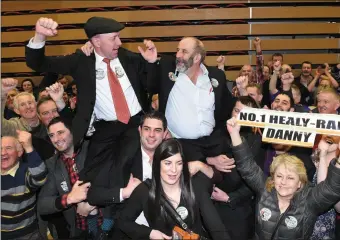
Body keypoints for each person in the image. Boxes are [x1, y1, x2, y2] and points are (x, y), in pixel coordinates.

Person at [25, 16, 158, 184]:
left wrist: (151, 63)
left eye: (118, 36)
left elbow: (152, 87)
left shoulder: (128, 57)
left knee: (131, 172)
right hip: (105, 129)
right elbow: (38, 64)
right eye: (113, 38)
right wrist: (40, 37)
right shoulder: (81, 60)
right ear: (96, 41)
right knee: (91, 180)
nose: (119, 42)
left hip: (136, 124)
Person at [226, 117, 340, 239]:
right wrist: (234, 134)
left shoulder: (309, 201)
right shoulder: (266, 189)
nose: (283, 182)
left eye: (290, 178)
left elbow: (332, 189)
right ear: (273, 178)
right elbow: (246, 166)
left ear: (300, 183)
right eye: (279, 176)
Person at [116, 139, 230, 240]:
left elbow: (217, 228)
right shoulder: (144, 190)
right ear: (157, 165)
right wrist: (149, 233)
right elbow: (123, 222)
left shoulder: (194, 186)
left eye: (179, 163)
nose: (174, 170)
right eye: (168, 163)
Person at [38, 117, 99, 239]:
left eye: (60, 133)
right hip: (80, 231)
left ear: (72, 131)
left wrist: (91, 201)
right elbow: (42, 205)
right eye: (51, 135)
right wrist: (69, 198)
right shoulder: (53, 165)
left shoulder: (92, 147)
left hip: (110, 223)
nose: (56, 139)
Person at [1, 131, 47, 240]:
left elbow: (40, 178)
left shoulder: (25, 172)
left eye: (8, 148)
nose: (3, 153)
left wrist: (29, 147)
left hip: (26, 235)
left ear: (20, 152)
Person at [310, 135, 340, 240]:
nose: (331, 135)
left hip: (325, 231)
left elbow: (324, 195)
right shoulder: (309, 158)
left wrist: (322, 157)